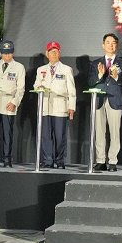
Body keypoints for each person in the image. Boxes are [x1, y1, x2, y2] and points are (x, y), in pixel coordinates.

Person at [90, 33, 122, 172]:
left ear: (116, 46)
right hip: (99, 100)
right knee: (99, 132)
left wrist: (117, 77)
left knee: (114, 133)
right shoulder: (95, 63)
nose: (111, 45)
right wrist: (100, 75)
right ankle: (100, 160)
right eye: (108, 42)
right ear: (103, 45)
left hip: (115, 100)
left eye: (113, 43)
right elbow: (90, 82)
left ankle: (113, 161)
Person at [33, 41, 76, 169]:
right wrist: (39, 87)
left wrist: (71, 107)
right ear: (47, 54)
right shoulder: (41, 70)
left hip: (60, 106)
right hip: (45, 106)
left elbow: (72, 90)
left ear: (59, 53)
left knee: (60, 136)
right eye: (51, 52)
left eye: (56, 51)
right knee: (46, 135)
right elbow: (36, 85)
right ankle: (48, 160)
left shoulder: (66, 69)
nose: (54, 54)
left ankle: (60, 160)